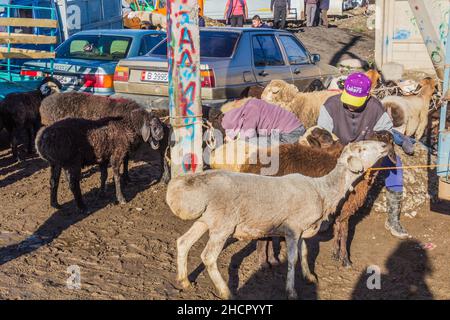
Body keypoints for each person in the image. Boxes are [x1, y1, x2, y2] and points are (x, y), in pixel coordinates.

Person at [317, 72, 411, 240]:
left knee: (394, 166)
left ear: (368, 96)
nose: (351, 105)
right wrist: (339, 150)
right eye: (348, 99)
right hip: (339, 151)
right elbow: (323, 134)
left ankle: (393, 219)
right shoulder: (330, 106)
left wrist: (373, 147)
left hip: (368, 151)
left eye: (356, 101)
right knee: (325, 172)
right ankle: (327, 214)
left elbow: (386, 132)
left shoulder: (376, 108)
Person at [218, 99, 306, 144]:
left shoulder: (251, 112)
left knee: (254, 144)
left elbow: (248, 136)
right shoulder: (249, 105)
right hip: (294, 127)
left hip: (291, 133)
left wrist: (232, 140)